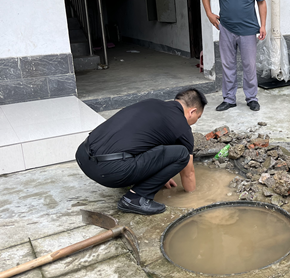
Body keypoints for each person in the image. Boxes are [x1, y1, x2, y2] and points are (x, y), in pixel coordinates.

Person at [75, 89, 207, 215]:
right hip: (109, 172)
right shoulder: (182, 127)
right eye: (198, 117)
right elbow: (188, 173)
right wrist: (194, 199)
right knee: (182, 154)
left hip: (83, 156)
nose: (195, 121)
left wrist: (162, 175)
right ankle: (135, 198)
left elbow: (145, 142)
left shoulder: (151, 103)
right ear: (192, 111)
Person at [202, 0, 266, 112]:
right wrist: (209, 13)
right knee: (228, 65)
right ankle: (229, 99)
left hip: (248, 30)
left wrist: (263, 25)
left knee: (249, 66)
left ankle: (251, 98)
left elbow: (261, 2)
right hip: (227, 28)